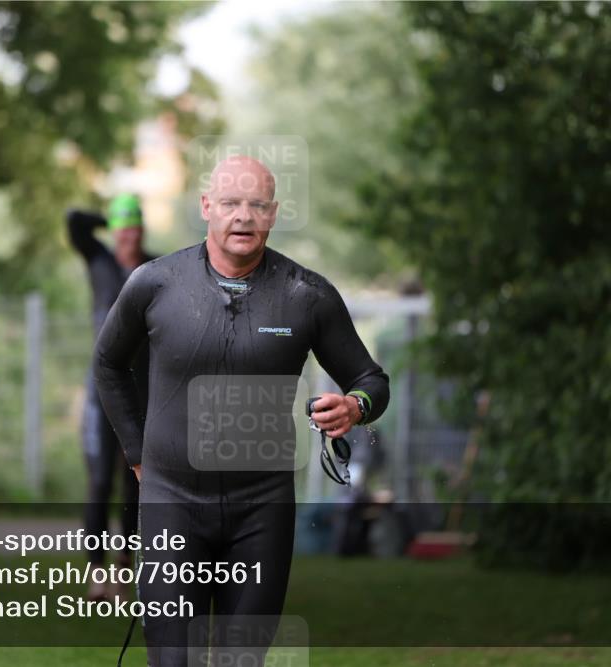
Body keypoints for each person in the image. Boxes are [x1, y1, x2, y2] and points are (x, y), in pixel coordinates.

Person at [93, 156, 390, 665]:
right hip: (172, 506)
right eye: (230, 203)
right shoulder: (154, 283)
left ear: (273, 214)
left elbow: (371, 381)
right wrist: (139, 454)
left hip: (261, 511)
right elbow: (107, 363)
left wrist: (355, 407)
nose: (243, 217)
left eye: (256, 205)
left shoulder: (306, 296)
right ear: (207, 207)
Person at [66, 194, 155, 601]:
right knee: (100, 479)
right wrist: (109, 217)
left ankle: (124, 570)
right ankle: (96, 571)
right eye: (123, 228)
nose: (129, 235)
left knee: (134, 482)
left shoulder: (154, 268)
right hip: (101, 391)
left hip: (142, 390)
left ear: (142, 230)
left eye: (134, 227)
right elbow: (73, 220)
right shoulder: (100, 261)